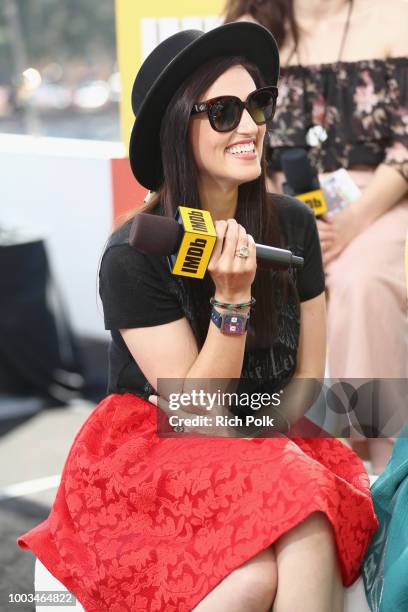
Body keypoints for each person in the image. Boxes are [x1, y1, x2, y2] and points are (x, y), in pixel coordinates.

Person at [17, 22, 378, 611]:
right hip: (155, 456)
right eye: (223, 113)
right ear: (176, 131)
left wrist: (264, 437)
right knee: (264, 563)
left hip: (264, 437)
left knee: (306, 510)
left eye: (259, 105)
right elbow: (198, 415)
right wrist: (231, 301)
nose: (250, 128)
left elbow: (307, 379)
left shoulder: (293, 227)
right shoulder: (133, 255)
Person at [224, 0, 408, 474]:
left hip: (374, 197)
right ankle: (278, 463)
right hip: (268, 199)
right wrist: (279, 215)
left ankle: (377, 466)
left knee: (362, 282)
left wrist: (352, 222)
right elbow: (230, 140)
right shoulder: (250, 27)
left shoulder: (394, 15)